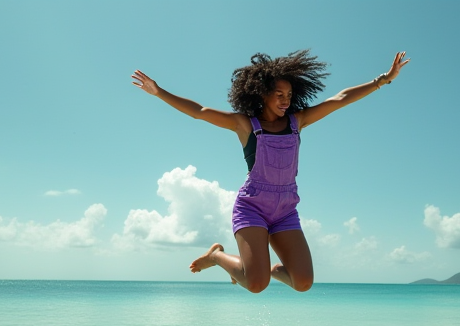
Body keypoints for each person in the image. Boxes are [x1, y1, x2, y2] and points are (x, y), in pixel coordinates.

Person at [132, 50, 409, 294]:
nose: (285, 100)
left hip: (285, 210)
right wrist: (159, 92)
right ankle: (217, 256)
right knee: (255, 285)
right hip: (252, 207)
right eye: (279, 94)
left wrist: (383, 79)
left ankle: (271, 270)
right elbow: (200, 111)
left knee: (303, 283)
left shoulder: (297, 122)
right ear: (261, 93)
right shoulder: (245, 125)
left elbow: (339, 99)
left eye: (289, 95)